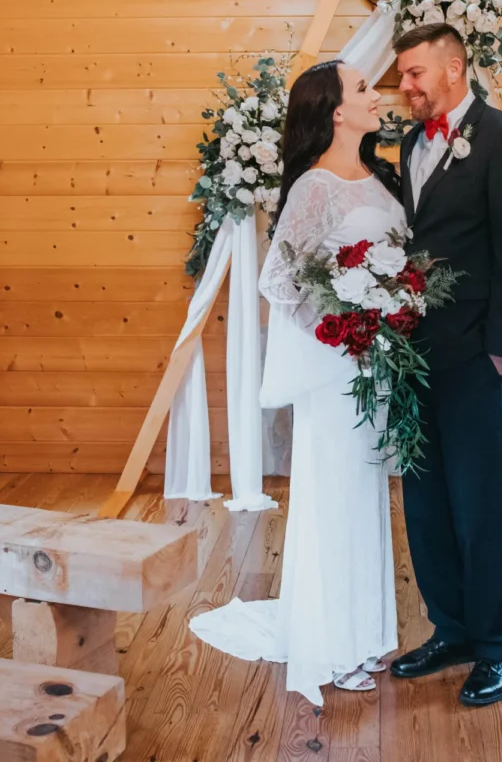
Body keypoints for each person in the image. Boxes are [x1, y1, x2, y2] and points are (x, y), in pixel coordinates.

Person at [189, 60, 401, 705]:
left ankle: (362, 631)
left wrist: (391, 304)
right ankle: (331, 645)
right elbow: (279, 281)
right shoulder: (315, 187)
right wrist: (349, 320)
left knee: (365, 495)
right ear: (336, 111)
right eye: (364, 88)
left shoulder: (377, 176)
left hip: (378, 360)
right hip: (340, 367)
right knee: (335, 494)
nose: (376, 95)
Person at [388, 23, 502, 707]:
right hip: (412, 359)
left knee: (477, 504)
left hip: (476, 355)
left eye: (415, 73)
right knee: (423, 502)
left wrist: (500, 349)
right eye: (401, 75)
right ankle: (450, 629)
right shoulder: (407, 143)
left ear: (454, 67)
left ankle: (497, 646)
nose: (405, 86)